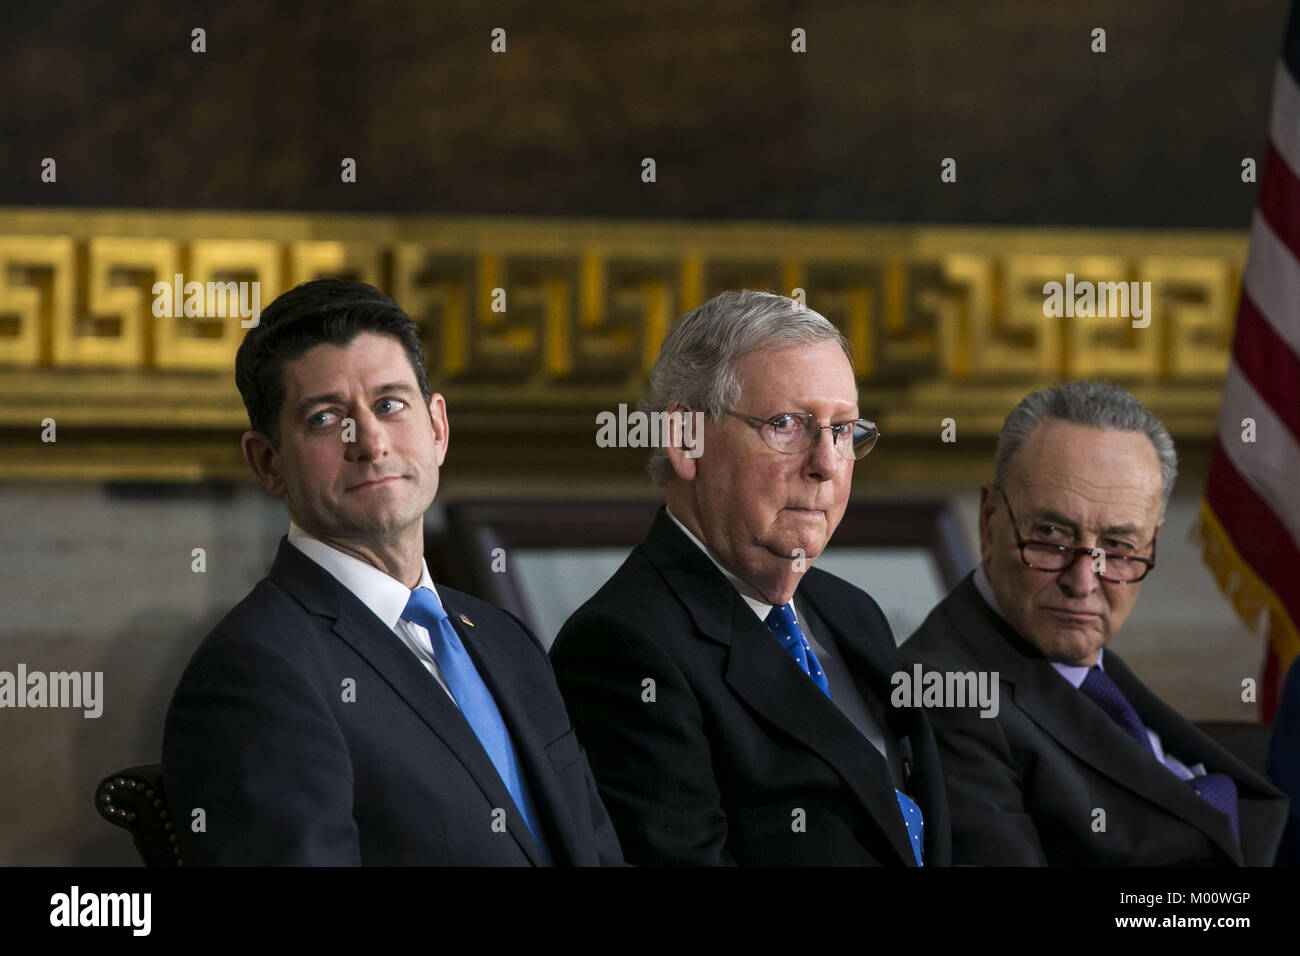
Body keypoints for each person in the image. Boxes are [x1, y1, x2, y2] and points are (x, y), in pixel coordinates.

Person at [162, 279, 622, 865]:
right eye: (327, 419)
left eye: (388, 405)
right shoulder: (254, 671)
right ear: (269, 463)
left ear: (438, 428)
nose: (370, 442)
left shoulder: (506, 640)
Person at [550, 290, 950, 866]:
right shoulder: (624, 649)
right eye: (788, 425)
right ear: (686, 442)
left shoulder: (851, 611)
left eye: (843, 430)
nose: (827, 463)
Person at [903, 380, 1287, 865]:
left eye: (1120, 546)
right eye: (1051, 535)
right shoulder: (944, 698)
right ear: (989, 520)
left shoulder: (1077, 665)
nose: (1084, 580)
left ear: (1152, 544)